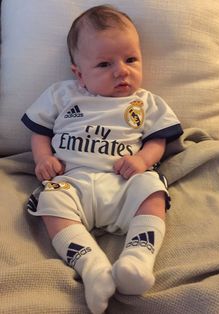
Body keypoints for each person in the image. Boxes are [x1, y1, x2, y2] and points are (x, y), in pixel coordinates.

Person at [22, 5, 183, 314]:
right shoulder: (62, 95)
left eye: (131, 59)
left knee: (151, 189)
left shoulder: (146, 102)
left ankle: (138, 258)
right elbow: (39, 132)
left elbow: (157, 140)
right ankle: (92, 266)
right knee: (50, 203)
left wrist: (142, 160)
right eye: (104, 64)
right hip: (72, 182)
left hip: (123, 182)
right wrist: (43, 158)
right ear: (79, 73)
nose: (121, 71)